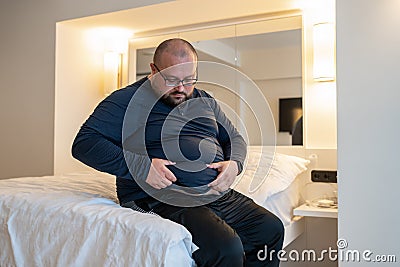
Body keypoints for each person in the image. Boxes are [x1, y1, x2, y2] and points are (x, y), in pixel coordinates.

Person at [72, 38, 284, 266]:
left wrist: (235, 164)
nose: (181, 88)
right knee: (226, 246)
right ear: (153, 70)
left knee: (270, 229)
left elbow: (233, 138)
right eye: (171, 80)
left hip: (212, 193)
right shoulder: (127, 100)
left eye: (189, 79)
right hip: (157, 196)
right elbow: (84, 142)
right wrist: (141, 167)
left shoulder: (206, 100)